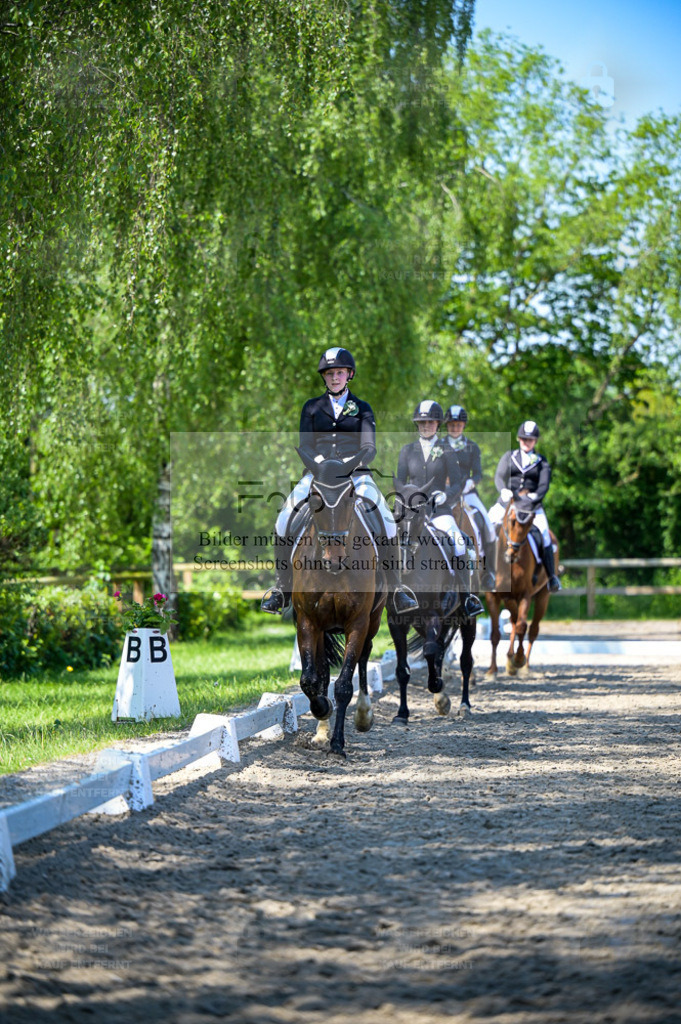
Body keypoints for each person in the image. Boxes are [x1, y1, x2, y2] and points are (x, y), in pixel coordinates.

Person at [261, 347, 419, 615]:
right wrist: (322, 464)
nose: (335, 377)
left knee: (387, 520)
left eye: (340, 373)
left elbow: (369, 447)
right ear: (325, 377)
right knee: (283, 517)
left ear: (349, 375)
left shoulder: (363, 408)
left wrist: (349, 464)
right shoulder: (311, 407)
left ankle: (396, 589)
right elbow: (305, 445)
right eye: (330, 373)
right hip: (318, 475)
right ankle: (281, 588)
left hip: (355, 475)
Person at [395, 400, 484, 617]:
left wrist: (446, 495)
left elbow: (456, 483)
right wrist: (409, 493)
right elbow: (398, 480)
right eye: (421, 422)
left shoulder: (447, 450)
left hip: (438, 511)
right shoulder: (407, 451)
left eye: (430, 422)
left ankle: (466, 599)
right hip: (412, 512)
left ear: (438, 424)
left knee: (460, 543)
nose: (426, 426)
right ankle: (393, 594)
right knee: (388, 541)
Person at [488, 420, 561, 592]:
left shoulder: (541, 461)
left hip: (532, 506)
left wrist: (535, 496)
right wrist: (503, 490)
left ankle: (551, 577)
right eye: (523, 439)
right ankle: (485, 572)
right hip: (508, 502)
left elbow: (544, 485)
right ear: (519, 439)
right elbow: (499, 477)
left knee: (544, 535)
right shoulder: (509, 456)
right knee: (488, 527)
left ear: (535, 441)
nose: (526, 442)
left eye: (530, 440)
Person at [443, 404, 497, 590]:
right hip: (446, 493)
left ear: (463, 425)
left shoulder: (472, 447)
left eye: (458, 425)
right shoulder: (440, 446)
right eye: (451, 425)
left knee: (488, 526)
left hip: (468, 493)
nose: (455, 428)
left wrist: (469, 483)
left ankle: (489, 572)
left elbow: (478, 473)